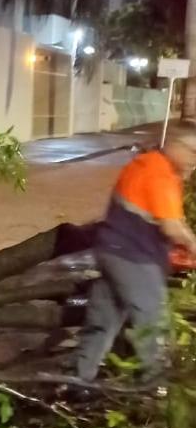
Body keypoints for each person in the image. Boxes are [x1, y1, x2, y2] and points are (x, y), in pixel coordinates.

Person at [75, 135, 196, 385]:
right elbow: (172, 228)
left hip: (112, 251)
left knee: (103, 321)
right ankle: (158, 387)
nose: (195, 161)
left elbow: (169, 220)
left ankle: (76, 380)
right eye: (194, 153)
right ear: (177, 147)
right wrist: (192, 245)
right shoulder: (159, 175)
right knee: (153, 320)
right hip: (133, 258)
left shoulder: (148, 164)